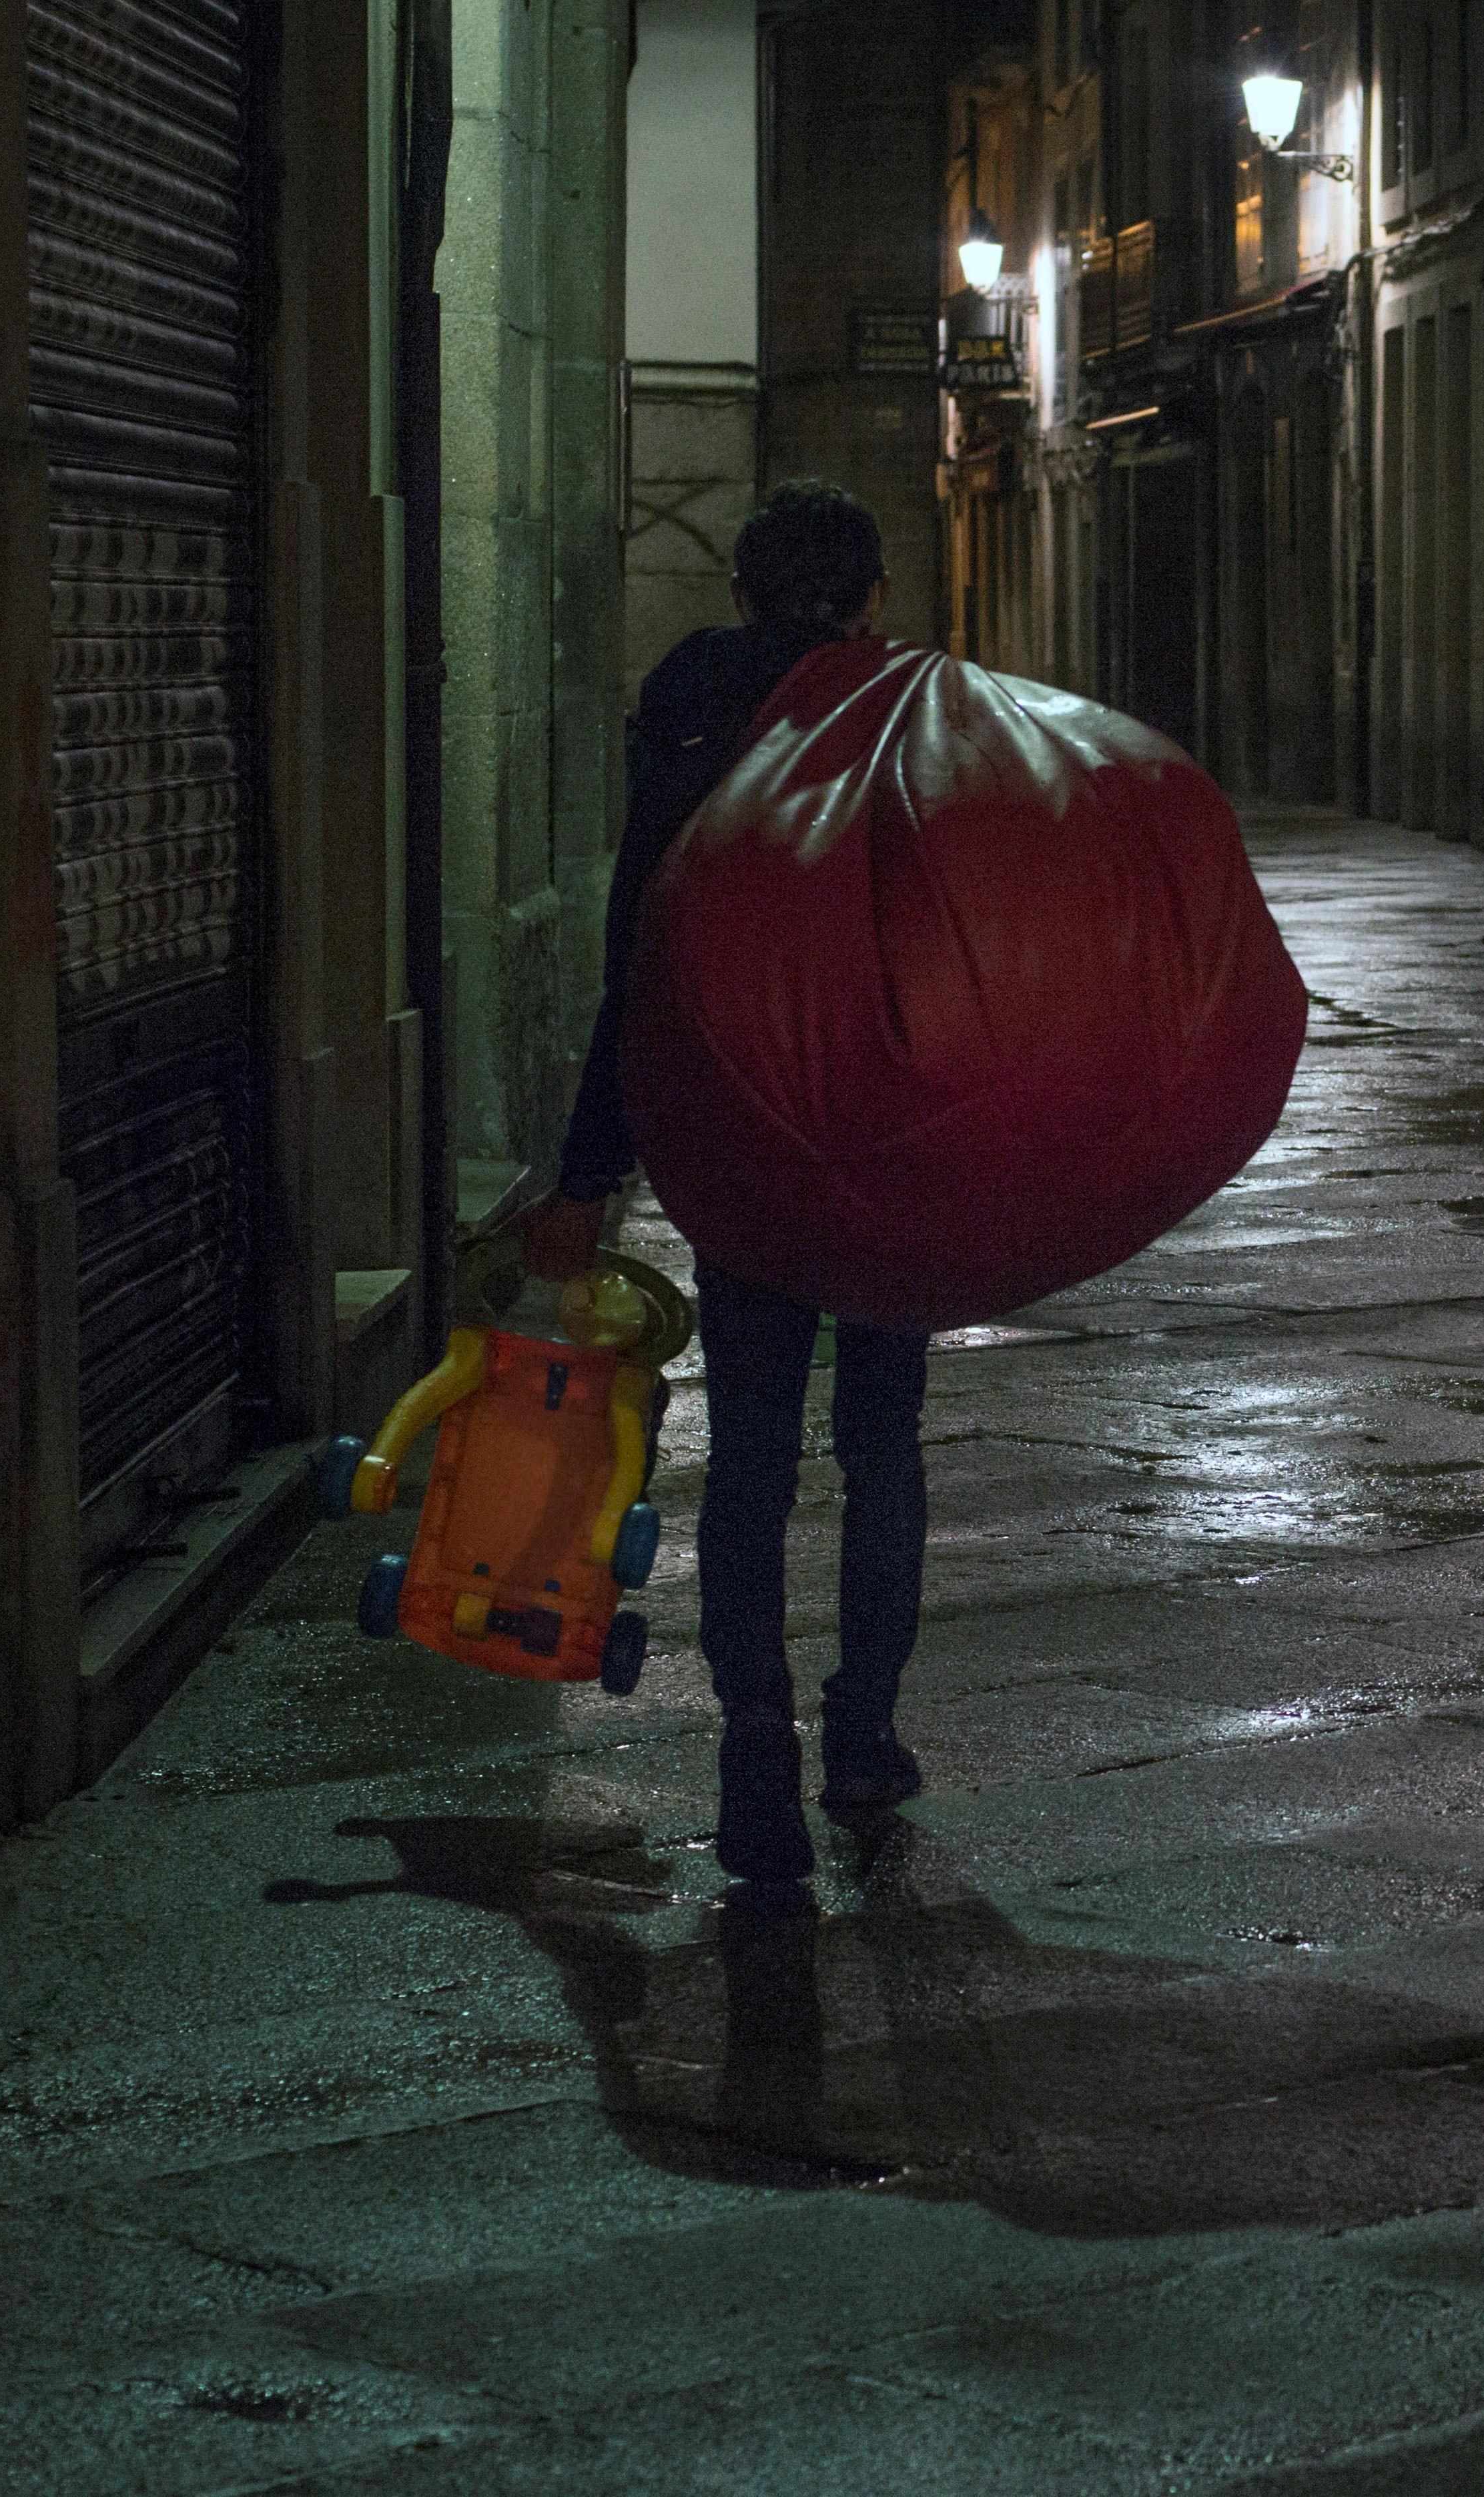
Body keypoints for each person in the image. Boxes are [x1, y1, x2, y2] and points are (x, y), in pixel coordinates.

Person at [518, 480, 930, 1890]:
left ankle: (755, 1720)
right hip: (889, 1148)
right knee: (881, 1444)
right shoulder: (919, 717)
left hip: (744, 1140)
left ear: (743, 594)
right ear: (871, 598)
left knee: (751, 1449)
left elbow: (642, 956)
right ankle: (863, 1732)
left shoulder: (691, 713)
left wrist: (587, 1172)